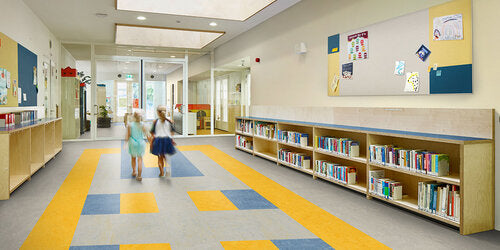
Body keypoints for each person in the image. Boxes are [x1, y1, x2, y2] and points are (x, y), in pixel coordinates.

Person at [149, 106, 175, 177]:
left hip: (158, 140)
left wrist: (153, 138)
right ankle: (168, 170)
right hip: (167, 140)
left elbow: (151, 132)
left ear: (158, 112)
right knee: (166, 156)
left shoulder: (155, 121)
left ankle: (161, 172)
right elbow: (172, 132)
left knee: (160, 157)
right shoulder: (169, 121)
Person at [125, 110, 148, 181]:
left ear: (134, 117)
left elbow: (128, 135)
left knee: (133, 158)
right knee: (140, 159)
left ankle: (134, 171)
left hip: (133, 143)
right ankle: (139, 176)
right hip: (141, 143)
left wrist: (125, 143)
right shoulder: (143, 124)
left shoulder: (130, 124)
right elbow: (146, 134)